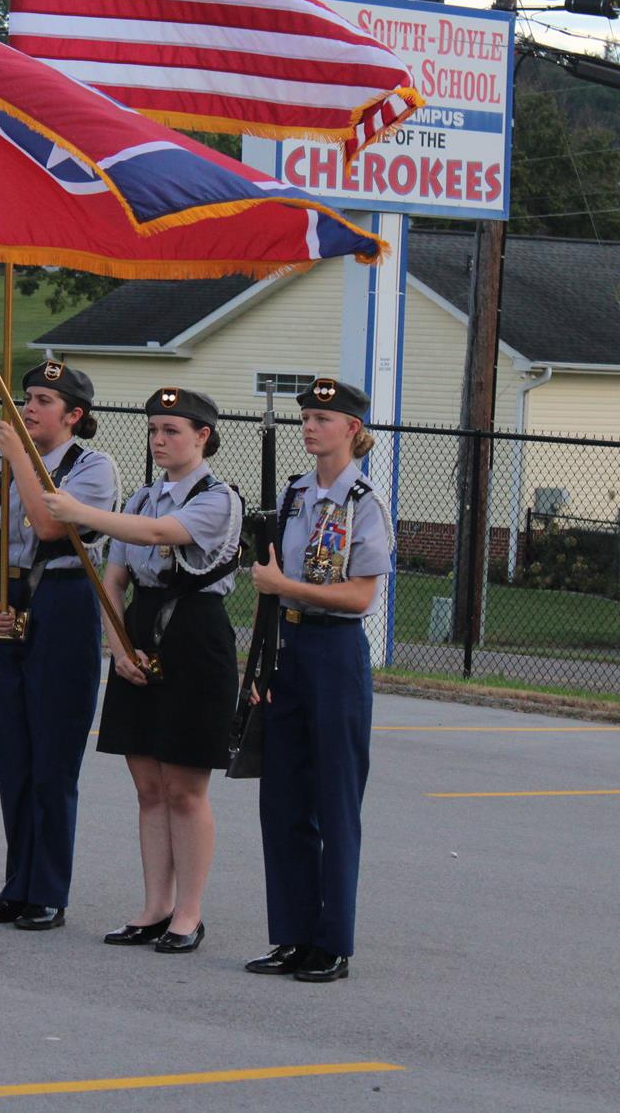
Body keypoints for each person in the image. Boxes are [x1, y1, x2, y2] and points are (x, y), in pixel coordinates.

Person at [42, 386, 243, 955]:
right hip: (140, 626)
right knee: (148, 786)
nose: (160, 440)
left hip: (195, 636)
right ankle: (155, 907)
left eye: (172, 431)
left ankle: (189, 912)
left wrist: (81, 513)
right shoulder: (138, 497)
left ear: (202, 436)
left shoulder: (217, 497)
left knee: (185, 787)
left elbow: (160, 537)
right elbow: (114, 580)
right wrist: (119, 646)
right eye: (154, 430)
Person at [243, 376, 394, 984]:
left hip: (334, 651)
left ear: (352, 430)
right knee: (282, 800)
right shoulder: (295, 496)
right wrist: (259, 665)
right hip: (290, 646)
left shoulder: (362, 502)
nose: (309, 425)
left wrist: (286, 590)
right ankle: (292, 934)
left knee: (334, 803)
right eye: (306, 415)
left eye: (322, 418)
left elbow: (361, 596)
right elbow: (268, 583)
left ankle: (332, 941)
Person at [0, 360, 117, 932]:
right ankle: (15, 885)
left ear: (74, 415)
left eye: (44, 401)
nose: (29, 409)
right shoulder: (4, 466)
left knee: (53, 758)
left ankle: (48, 889)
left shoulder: (91, 468)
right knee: (13, 757)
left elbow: (49, 526)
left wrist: (21, 459)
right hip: (8, 608)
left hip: (63, 603)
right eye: (27, 397)